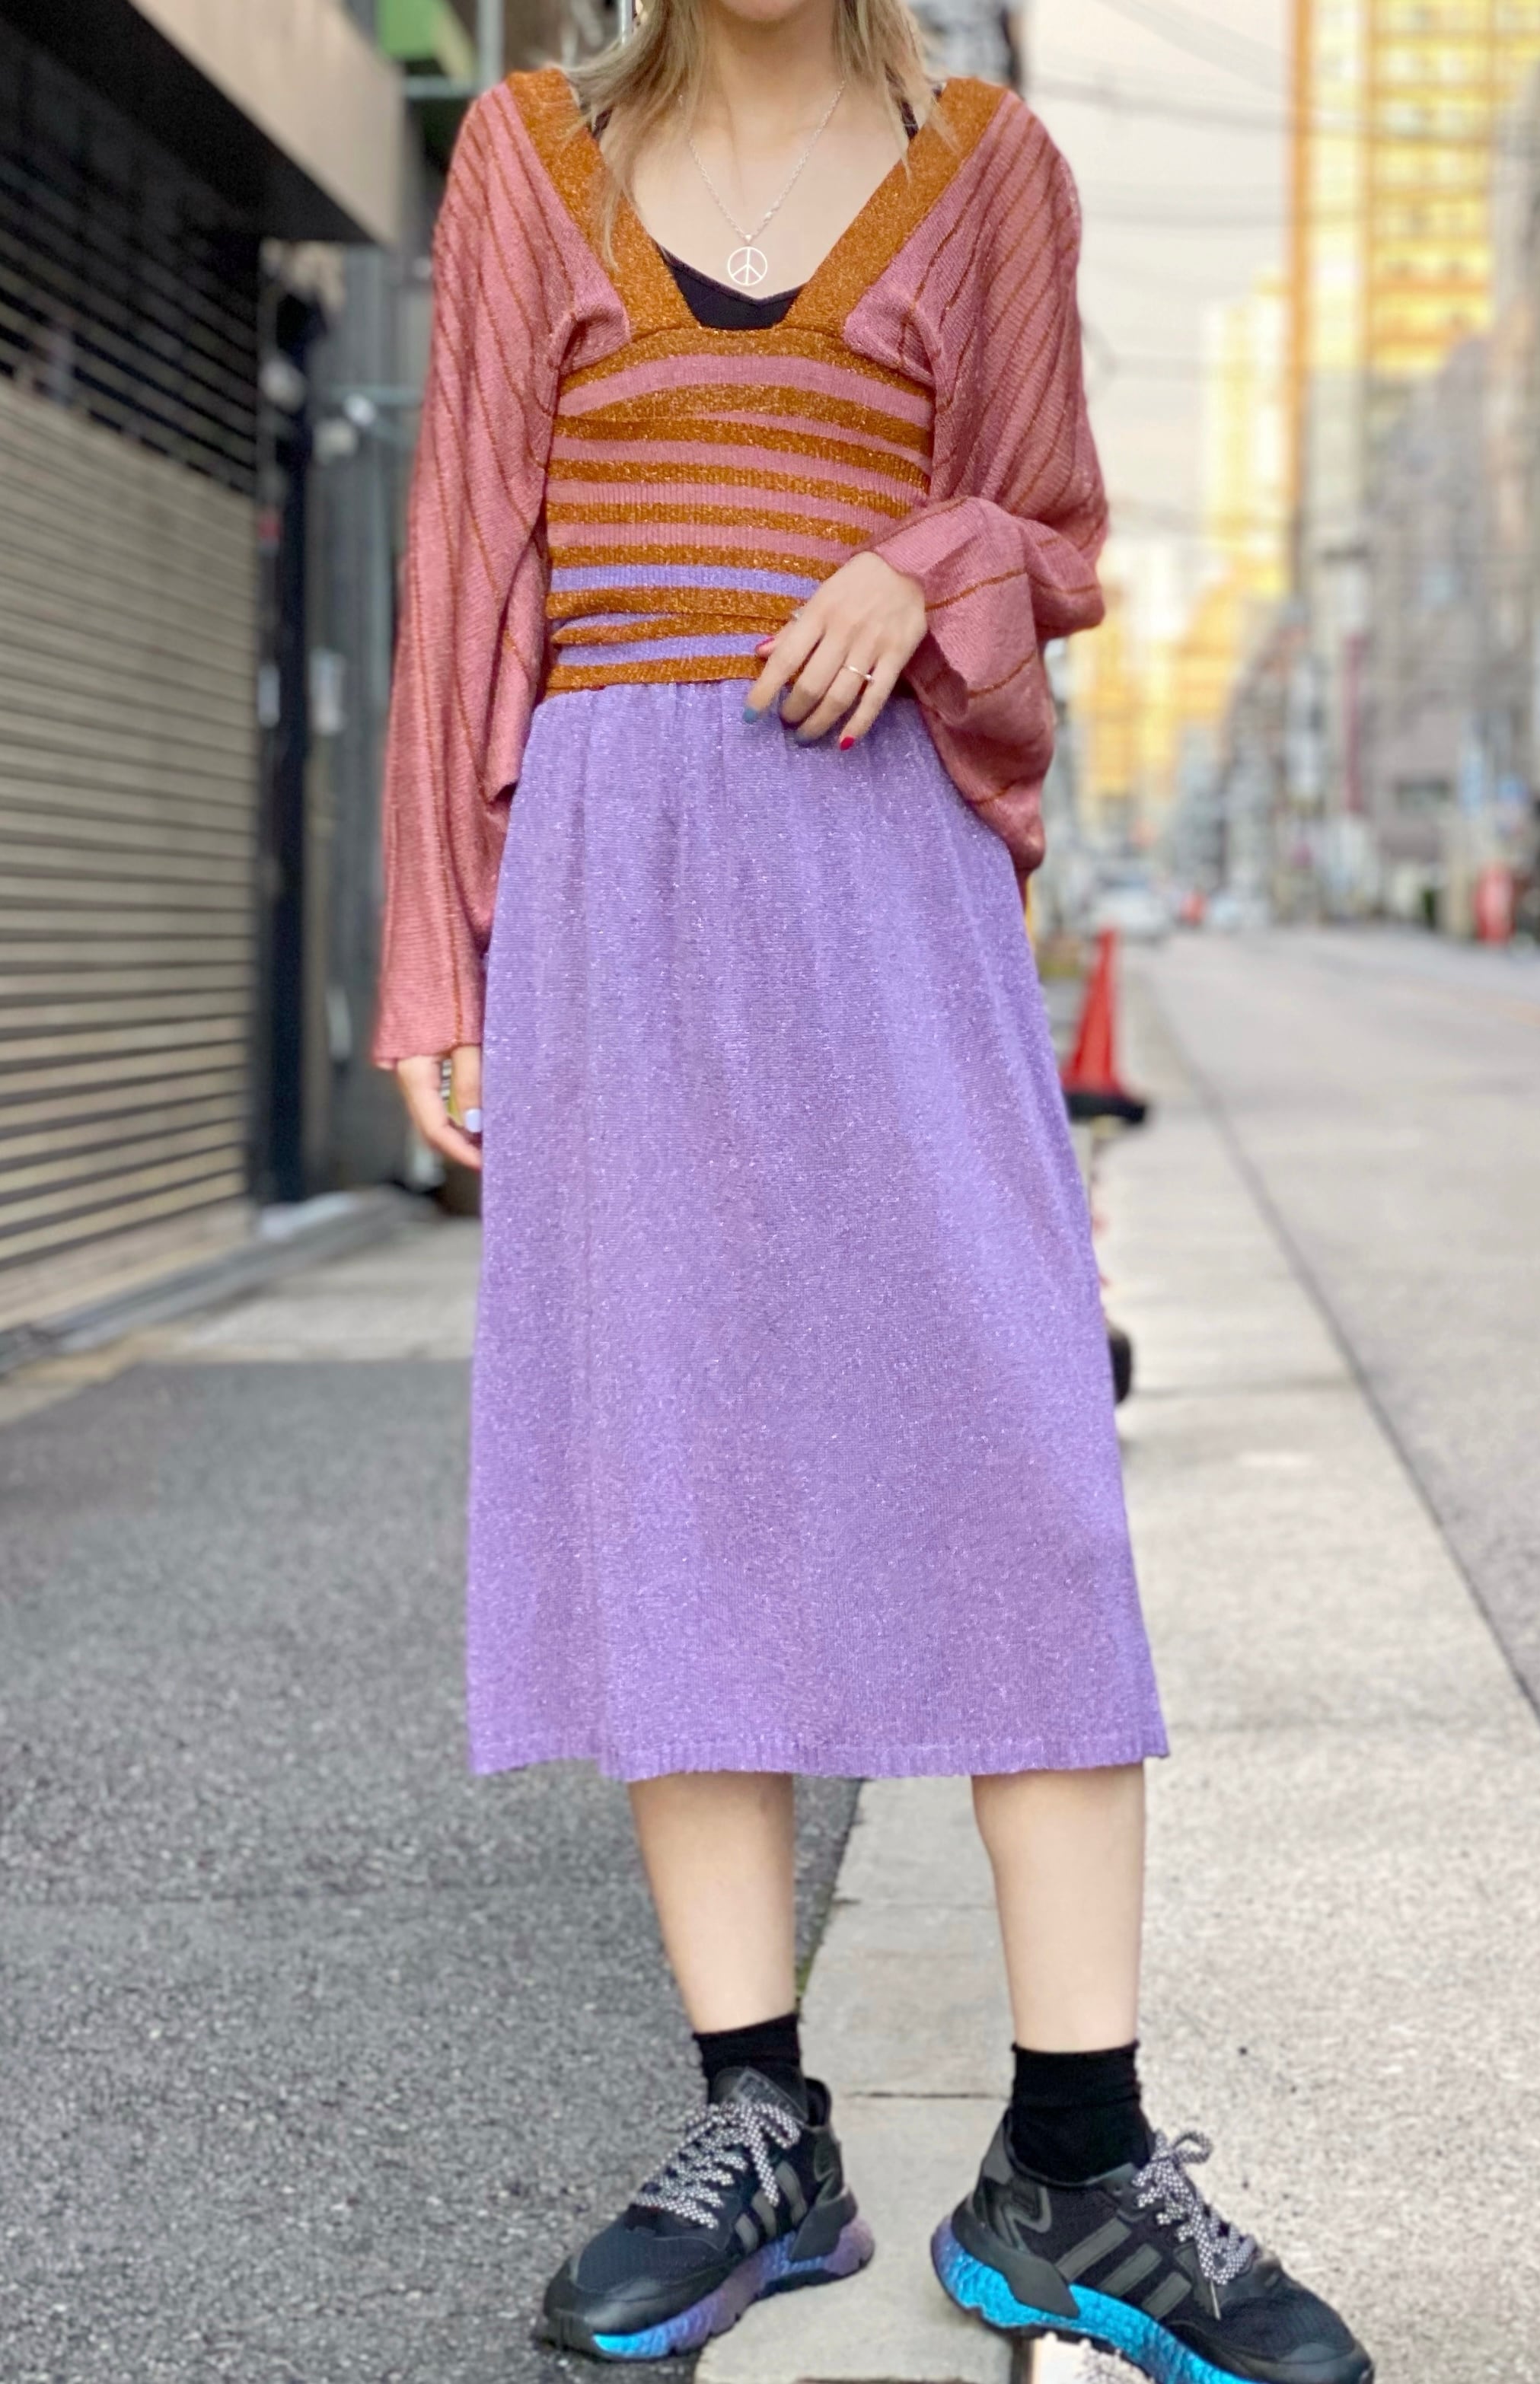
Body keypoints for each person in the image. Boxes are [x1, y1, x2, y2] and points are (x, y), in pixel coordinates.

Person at [375, 0, 1373, 2375]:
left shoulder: (993, 166)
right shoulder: (520, 155)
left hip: (887, 876)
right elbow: (466, 555)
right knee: (671, 1476)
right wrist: (439, 945)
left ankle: (1077, 2163)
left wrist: (924, 570)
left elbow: (1056, 527)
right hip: (609, 883)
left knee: (1024, 1461)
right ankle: (761, 2127)